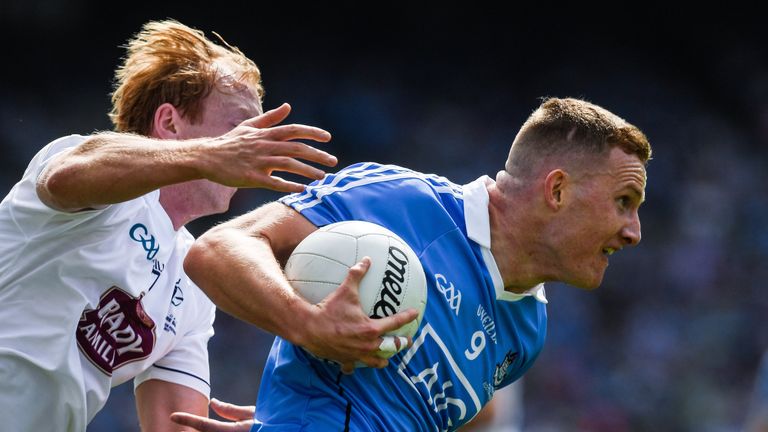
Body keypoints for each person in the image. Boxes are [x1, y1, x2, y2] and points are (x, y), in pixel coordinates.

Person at [179, 97, 652, 431]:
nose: (633, 231)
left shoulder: (528, 331)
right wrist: (307, 325)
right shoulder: (399, 200)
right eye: (623, 201)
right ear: (558, 190)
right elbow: (218, 248)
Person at [0, 19, 340, 432]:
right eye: (239, 129)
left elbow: (176, 425)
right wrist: (208, 154)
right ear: (170, 123)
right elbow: (64, 179)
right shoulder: (85, 160)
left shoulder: (194, 279)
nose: (256, 147)